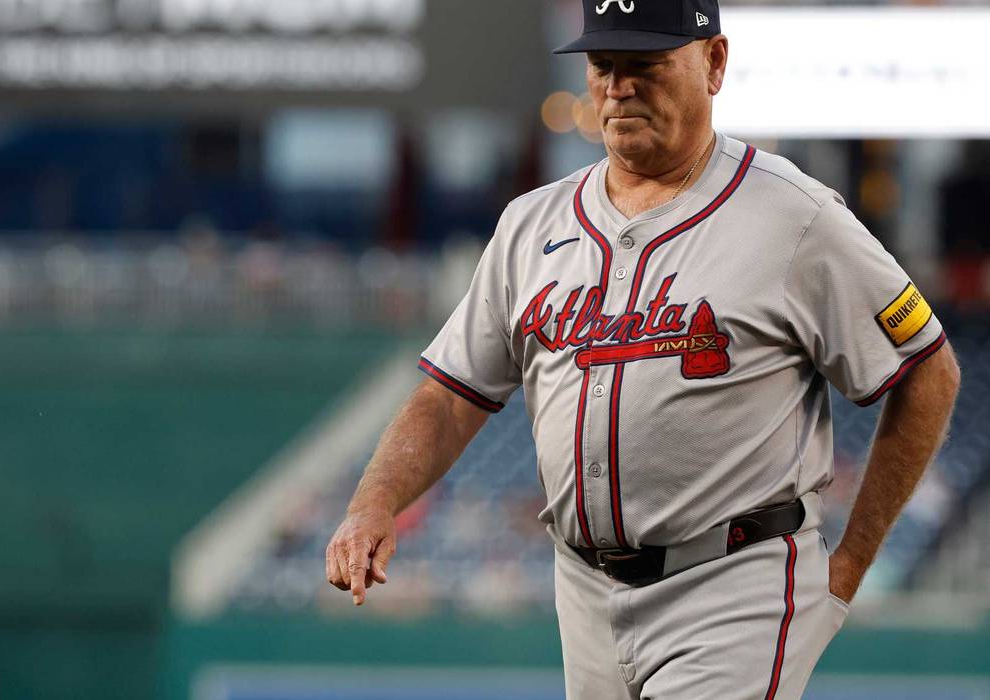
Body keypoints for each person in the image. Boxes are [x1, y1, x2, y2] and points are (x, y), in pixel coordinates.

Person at [324, 0, 961, 697]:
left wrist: (845, 570)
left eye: (645, 65)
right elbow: (449, 395)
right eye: (603, 65)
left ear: (713, 63)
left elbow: (926, 373)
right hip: (583, 590)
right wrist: (372, 503)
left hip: (731, 585)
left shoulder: (795, 216)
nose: (618, 87)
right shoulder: (530, 223)